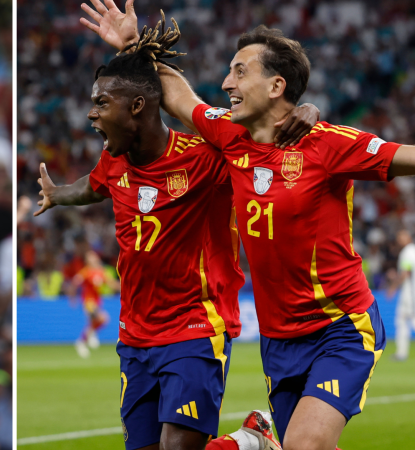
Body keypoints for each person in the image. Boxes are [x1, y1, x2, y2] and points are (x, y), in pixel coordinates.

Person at [81, 2, 415, 448]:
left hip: (340, 323)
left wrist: (311, 110)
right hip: (278, 338)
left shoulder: (329, 145)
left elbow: (405, 156)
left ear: (276, 85)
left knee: (304, 444)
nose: (226, 83)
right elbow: (181, 97)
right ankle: (248, 442)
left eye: (239, 73)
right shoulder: (226, 136)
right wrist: (132, 45)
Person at [33, 27, 317, 449]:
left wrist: (306, 111)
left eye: (101, 104)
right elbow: (92, 187)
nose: (91, 115)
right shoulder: (114, 161)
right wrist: (57, 194)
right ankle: (248, 442)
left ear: (137, 107)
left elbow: (266, 136)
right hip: (135, 333)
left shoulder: (206, 157)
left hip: (195, 325)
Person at [67, 250, 116, 358]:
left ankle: (82, 341)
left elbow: (112, 285)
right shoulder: (86, 272)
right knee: (103, 318)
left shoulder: (102, 272)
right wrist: (72, 298)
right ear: (87, 261)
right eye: (90, 257)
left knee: (97, 322)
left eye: (94, 256)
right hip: (88, 302)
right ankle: (88, 338)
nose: (93, 259)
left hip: (97, 302)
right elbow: (74, 284)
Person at [390, 229, 415, 360]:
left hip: (409, 293)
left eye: (401, 237)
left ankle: (401, 353)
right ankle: (401, 353)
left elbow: (405, 273)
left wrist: (393, 288)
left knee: (405, 320)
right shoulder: (413, 250)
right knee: (402, 321)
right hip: (410, 292)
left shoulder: (407, 252)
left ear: (407, 237)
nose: (399, 240)